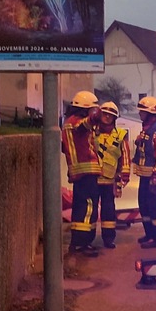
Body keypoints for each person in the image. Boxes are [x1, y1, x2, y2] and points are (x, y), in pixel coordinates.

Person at [61, 90, 101, 257]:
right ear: (85, 109)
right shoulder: (77, 122)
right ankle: (82, 243)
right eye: (92, 109)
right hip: (86, 172)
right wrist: (95, 117)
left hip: (79, 172)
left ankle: (77, 242)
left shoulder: (67, 123)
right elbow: (84, 125)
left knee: (80, 207)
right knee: (88, 208)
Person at [132, 96, 156, 251]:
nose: (140, 114)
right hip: (145, 176)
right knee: (145, 206)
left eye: (142, 111)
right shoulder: (148, 128)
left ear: (151, 113)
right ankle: (150, 234)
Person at [95, 101, 131, 249]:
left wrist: (124, 177)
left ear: (115, 118)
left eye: (111, 115)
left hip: (109, 180)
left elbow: (125, 157)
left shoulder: (120, 135)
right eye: (105, 114)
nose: (107, 117)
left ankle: (108, 239)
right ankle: (86, 239)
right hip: (92, 178)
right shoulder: (92, 132)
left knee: (108, 211)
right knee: (90, 211)